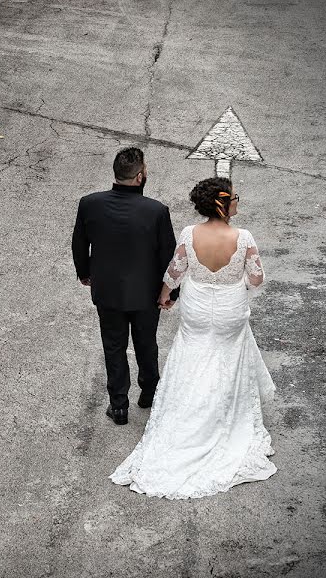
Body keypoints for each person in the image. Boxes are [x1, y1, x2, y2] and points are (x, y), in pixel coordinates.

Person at [109, 177, 276, 499]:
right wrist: (232, 286)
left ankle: (186, 413)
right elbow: (256, 279)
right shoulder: (243, 237)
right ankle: (219, 418)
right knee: (226, 360)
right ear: (223, 203)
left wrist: (163, 297)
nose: (238, 201)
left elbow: (174, 272)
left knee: (193, 356)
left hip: (197, 309)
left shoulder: (189, 233)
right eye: (235, 197)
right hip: (229, 310)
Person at [71, 147, 177, 425]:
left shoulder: (89, 204)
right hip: (146, 294)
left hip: (108, 292)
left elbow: (80, 243)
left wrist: (84, 273)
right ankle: (149, 392)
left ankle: (119, 406)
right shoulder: (156, 211)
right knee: (146, 344)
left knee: (113, 347)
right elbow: (168, 254)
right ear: (140, 176)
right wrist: (171, 293)